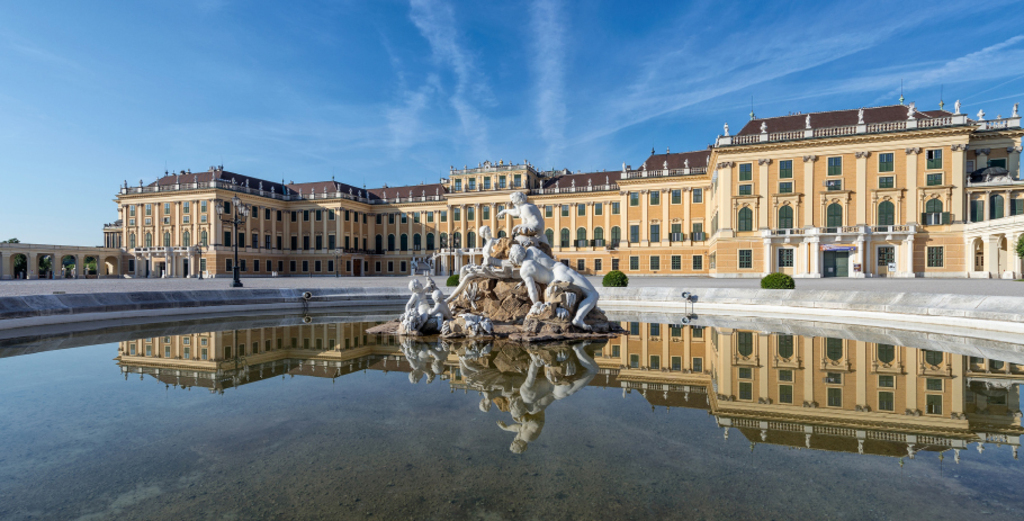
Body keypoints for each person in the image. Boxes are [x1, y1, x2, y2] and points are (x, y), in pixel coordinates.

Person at [507, 244, 599, 330]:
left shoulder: (524, 271)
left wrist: (536, 303)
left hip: (553, 281)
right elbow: (547, 263)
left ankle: (581, 316)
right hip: (560, 270)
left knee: (591, 294)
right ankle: (580, 317)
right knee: (593, 294)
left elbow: (532, 291)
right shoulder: (532, 250)